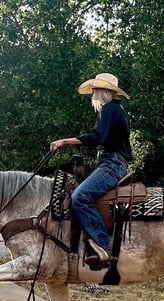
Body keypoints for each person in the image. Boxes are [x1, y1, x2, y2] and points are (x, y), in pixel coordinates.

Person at [50, 72, 132, 268]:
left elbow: (98, 137)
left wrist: (65, 141)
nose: (92, 94)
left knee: (80, 196)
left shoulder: (110, 109)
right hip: (114, 162)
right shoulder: (117, 109)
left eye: (95, 90)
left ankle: (103, 245)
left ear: (104, 91)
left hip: (111, 164)